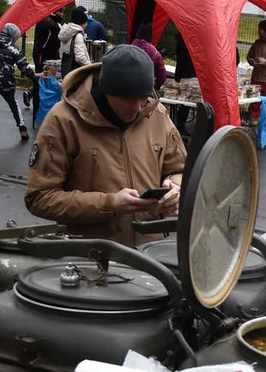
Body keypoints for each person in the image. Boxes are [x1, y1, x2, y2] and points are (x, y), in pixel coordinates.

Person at [25, 44, 186, 247]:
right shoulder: (63, 120)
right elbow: (39, 197)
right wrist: (109, 204)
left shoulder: (157, 114)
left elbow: (180, 169)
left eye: (143, 99)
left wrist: (175, 188)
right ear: (105, 89)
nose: (137, 108)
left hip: (150, 255)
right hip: (90, 258)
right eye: (128, 99)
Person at [0, 22, 37, 142]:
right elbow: (24, 67)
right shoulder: (13, 48)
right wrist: (34, 78)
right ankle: (23, 130)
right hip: (7, 82)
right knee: (14, 105)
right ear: (13, 35)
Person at [27, 8, 64, 110]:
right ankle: (37, 105)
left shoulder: (55, 23)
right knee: (40, 79)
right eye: (60, 11)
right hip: (42, 56)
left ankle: (45, 105)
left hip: (52, 57)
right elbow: (51, 28)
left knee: (50, 80)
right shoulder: (47, 21)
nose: (62, 14)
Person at [131, 23, 168, 92]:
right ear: (150, 36)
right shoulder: (155, 54)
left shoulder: (127, 49)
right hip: (145, 90)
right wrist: (156, 87)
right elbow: (162, 77)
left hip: (126, 88)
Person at [59, 8, 92, 76]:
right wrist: (90, 67)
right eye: (86, 22)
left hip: (66, 70)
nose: (86, 25)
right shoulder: (78, 35)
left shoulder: (67, 32)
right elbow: (80, 57)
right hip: (76, 73)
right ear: (82, 23)